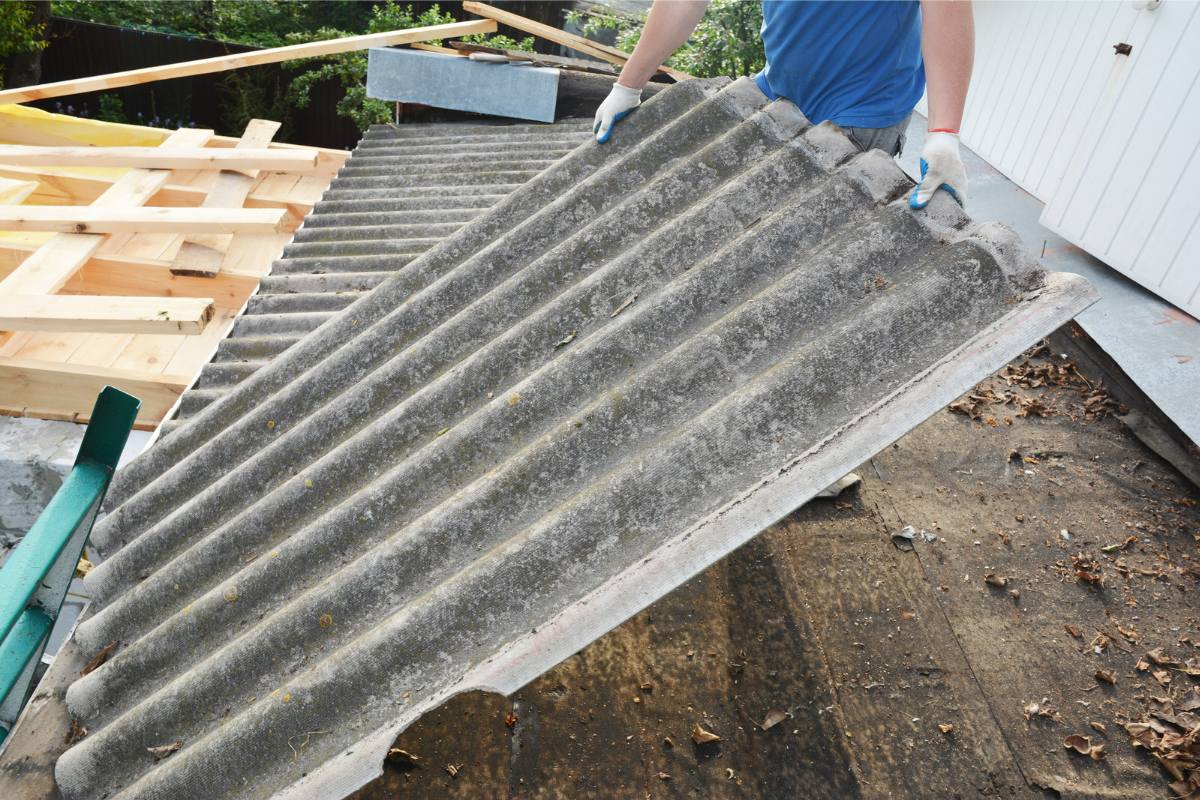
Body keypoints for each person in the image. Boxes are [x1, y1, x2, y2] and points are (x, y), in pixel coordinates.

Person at [593, 0, 973, 209]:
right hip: (779, 93)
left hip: (860, 111)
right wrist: (628, 86)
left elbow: (946, 10)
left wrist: (943, 133)